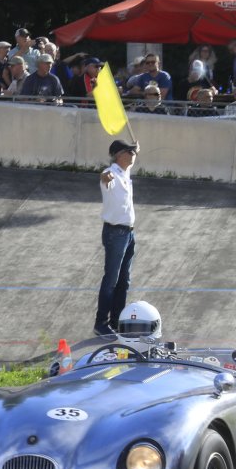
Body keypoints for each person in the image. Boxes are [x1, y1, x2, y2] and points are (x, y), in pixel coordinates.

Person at [95, 140, 138, 337]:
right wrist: (105, 176)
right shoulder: (111, 173)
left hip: (128, 233)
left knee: (123, 281)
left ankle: (116, 320)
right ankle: (101, 323)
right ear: (119, 155)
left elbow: (134, 154)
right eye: (129, 151)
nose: (133, 154)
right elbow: (105, 178)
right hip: (115, 233)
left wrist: (135, 148)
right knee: (111, 280)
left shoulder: (125, 171)